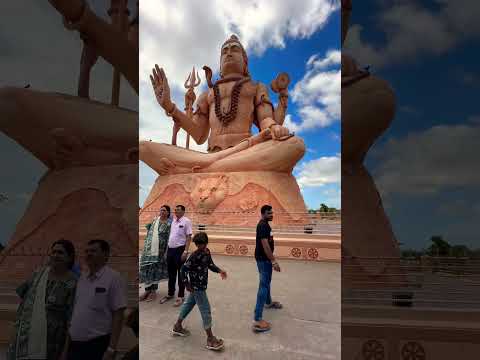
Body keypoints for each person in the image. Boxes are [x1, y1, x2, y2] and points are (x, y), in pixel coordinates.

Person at [7, 239, 77, 360]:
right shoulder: (38, 275)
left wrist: (65, 352)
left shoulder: (73, 283)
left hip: (52, 343)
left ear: (70, 257)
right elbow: (24, 300)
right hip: (26, 338)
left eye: (60, 252)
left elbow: (71, 320)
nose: (55, 255)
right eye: (53, 252)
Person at [65, 239, 127, 360]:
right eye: (86, 251)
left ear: (105, 255)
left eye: (93, 251)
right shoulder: (82, 279)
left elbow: (118, 315)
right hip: (74, 345)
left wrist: (111, 349)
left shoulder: (114, 278)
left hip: (97, 346)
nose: (88, 254)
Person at [172, 232, 227, 351]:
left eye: (202, 244)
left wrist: (219, 270)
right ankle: (210, 339)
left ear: (206, 243)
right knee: (205, 310)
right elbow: (183, 270)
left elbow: (210, 265)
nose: (200, 247)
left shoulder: (207, 252)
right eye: (198, 245)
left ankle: (177, 326)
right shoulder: (194, 256)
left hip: (201, 286)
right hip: (197, 288)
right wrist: (186, 284)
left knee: (188, 305)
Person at [252, 205, 283, 333]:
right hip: (264, 259)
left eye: (272, 212)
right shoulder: (263, 226)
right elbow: (265, 245)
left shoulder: (265, 224)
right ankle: (257, 319)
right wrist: (273, 261)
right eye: (269, 213)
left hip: (264, 259)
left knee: (266, 282)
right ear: (263, 214)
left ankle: (268, 302)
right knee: (263, 285)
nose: (272, 215)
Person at [159, 205, 192, 306]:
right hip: (171, 250)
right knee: (171, 273)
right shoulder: (173, 221)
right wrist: (166, 251)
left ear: (183, 211)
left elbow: (189, 236)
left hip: (180, 250)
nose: (176, 211)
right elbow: (170, 236)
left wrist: (185, 251)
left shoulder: (186, 221)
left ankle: (181, 296)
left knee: (181, 273)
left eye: (178, 210)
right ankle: (170, 293)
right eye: (175, 210)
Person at [139, 205, 171, 302]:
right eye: (161, 210)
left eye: (164, 210)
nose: (162, 212)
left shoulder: (169, 225)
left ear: (168, 213)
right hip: (149, 250)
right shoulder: (154, 221)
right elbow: (149, 233)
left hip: (159, 251)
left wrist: (166, 252)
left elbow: (168, 239)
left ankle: (153, 291)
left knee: (155, 270)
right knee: (147, 268)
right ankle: (147, 290)